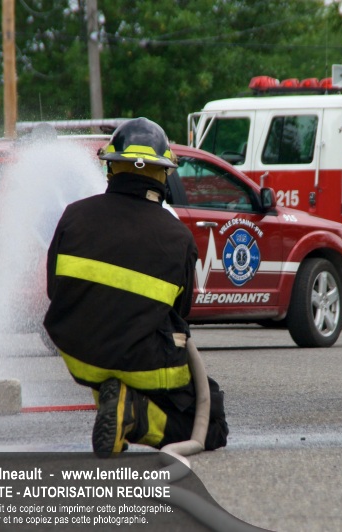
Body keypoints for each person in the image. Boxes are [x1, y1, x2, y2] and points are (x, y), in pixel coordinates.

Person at [43, 117, 228, 456]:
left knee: (111, 347)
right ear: (163, 174)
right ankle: (136, 415)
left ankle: (114, 401)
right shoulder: (178, 237)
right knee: (213, 423)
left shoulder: (72, 215)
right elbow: (180, 313)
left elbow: (55, 291)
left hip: (80, 356)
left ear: (111, 167)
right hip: (143, 365)